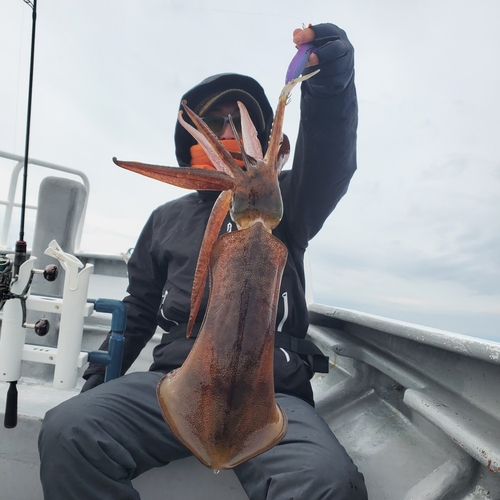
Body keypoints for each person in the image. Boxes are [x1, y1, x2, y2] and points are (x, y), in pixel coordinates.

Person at [38, 22, 368, 499]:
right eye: (215, 125)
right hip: (173, 384)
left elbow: (331, 161)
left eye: (241, 123)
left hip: (271, 396)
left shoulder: (291, 203)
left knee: (324, 482)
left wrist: (330, 89)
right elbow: (138, 310)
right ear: (190, 142)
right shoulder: (166, 219)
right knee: (70, 429)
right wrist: (96, 385)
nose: (229, 134)